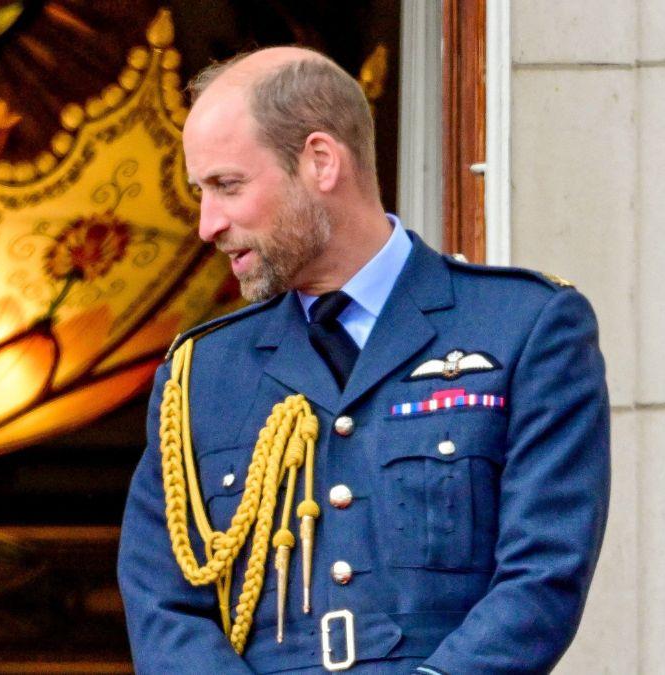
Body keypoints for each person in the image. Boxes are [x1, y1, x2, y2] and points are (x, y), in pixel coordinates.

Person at [117, 46, 609, 674]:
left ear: (321, 161)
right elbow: (163, 606)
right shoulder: (200, 374)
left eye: (227, 186)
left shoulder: (526, 327)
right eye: (201, 192)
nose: (207, 224)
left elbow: (544, 574)